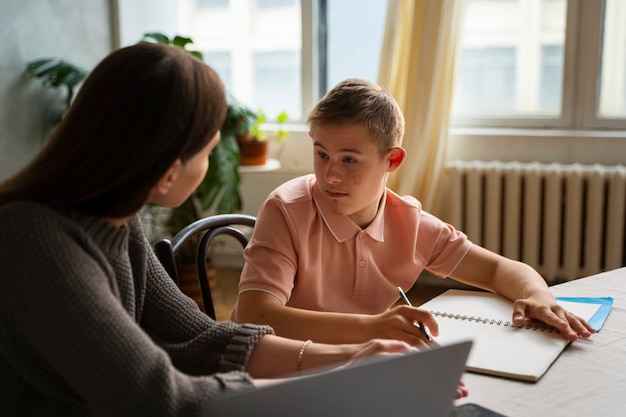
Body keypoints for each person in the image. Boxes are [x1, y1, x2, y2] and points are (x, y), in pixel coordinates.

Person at [0, 45, 417, 417]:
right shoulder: (31, 238)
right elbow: (158, 397)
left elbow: (201, 338)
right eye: (210, 150)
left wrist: (352, 358)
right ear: (167, 173)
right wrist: (331, 382)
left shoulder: (116, 220)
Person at [231, 78, 595, 347]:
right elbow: (255, 316)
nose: (330, 174)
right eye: (321, 153)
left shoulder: (408, 222)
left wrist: (538, 295)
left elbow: (498, 268)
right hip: (277, 372)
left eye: (349, 159)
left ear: (393, 160)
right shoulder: (286, 210)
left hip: (359, 364)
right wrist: (374, 327)